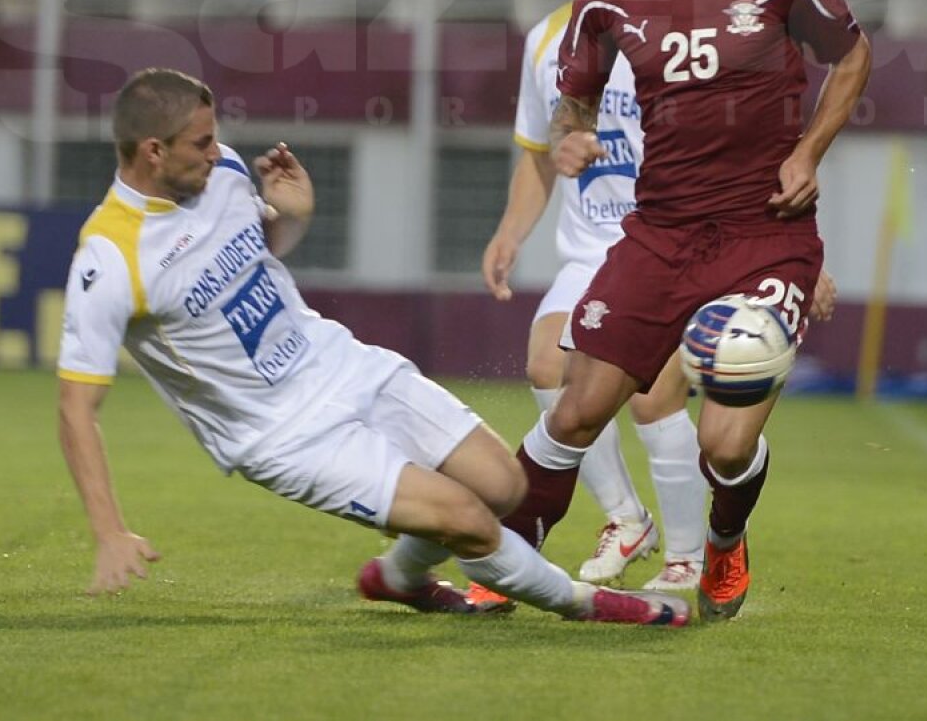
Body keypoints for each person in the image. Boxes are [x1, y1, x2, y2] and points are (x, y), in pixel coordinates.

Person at [56, 68, 691, 628]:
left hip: (340, 361)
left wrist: (294, 216)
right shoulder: (110, 258)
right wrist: (109, 532)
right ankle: (589, 605)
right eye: (199, 142)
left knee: (503, 486)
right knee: (469, 522)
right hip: (281, 433)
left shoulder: (219, 169)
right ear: (152, 150)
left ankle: (396, 578)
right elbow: (75, 410)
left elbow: (248, 264)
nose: (215, 149)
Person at [500, 0, 872, 623]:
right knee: (572, 407)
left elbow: (851, 53)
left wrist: (810, 150)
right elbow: (574, 98)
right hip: (659, 234)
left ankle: (724, 540)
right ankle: (504, 561)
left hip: (763, 233)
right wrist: (568, 137)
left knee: (724, 445)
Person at [479, 0, 708, 597]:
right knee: (548, 360)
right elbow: (538, 155)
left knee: (649, 394)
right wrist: (511, 233)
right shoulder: (547, 40)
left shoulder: (680, 27)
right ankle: (624, 516)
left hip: (671, 240)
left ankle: (688, 558)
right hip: (592, 248)